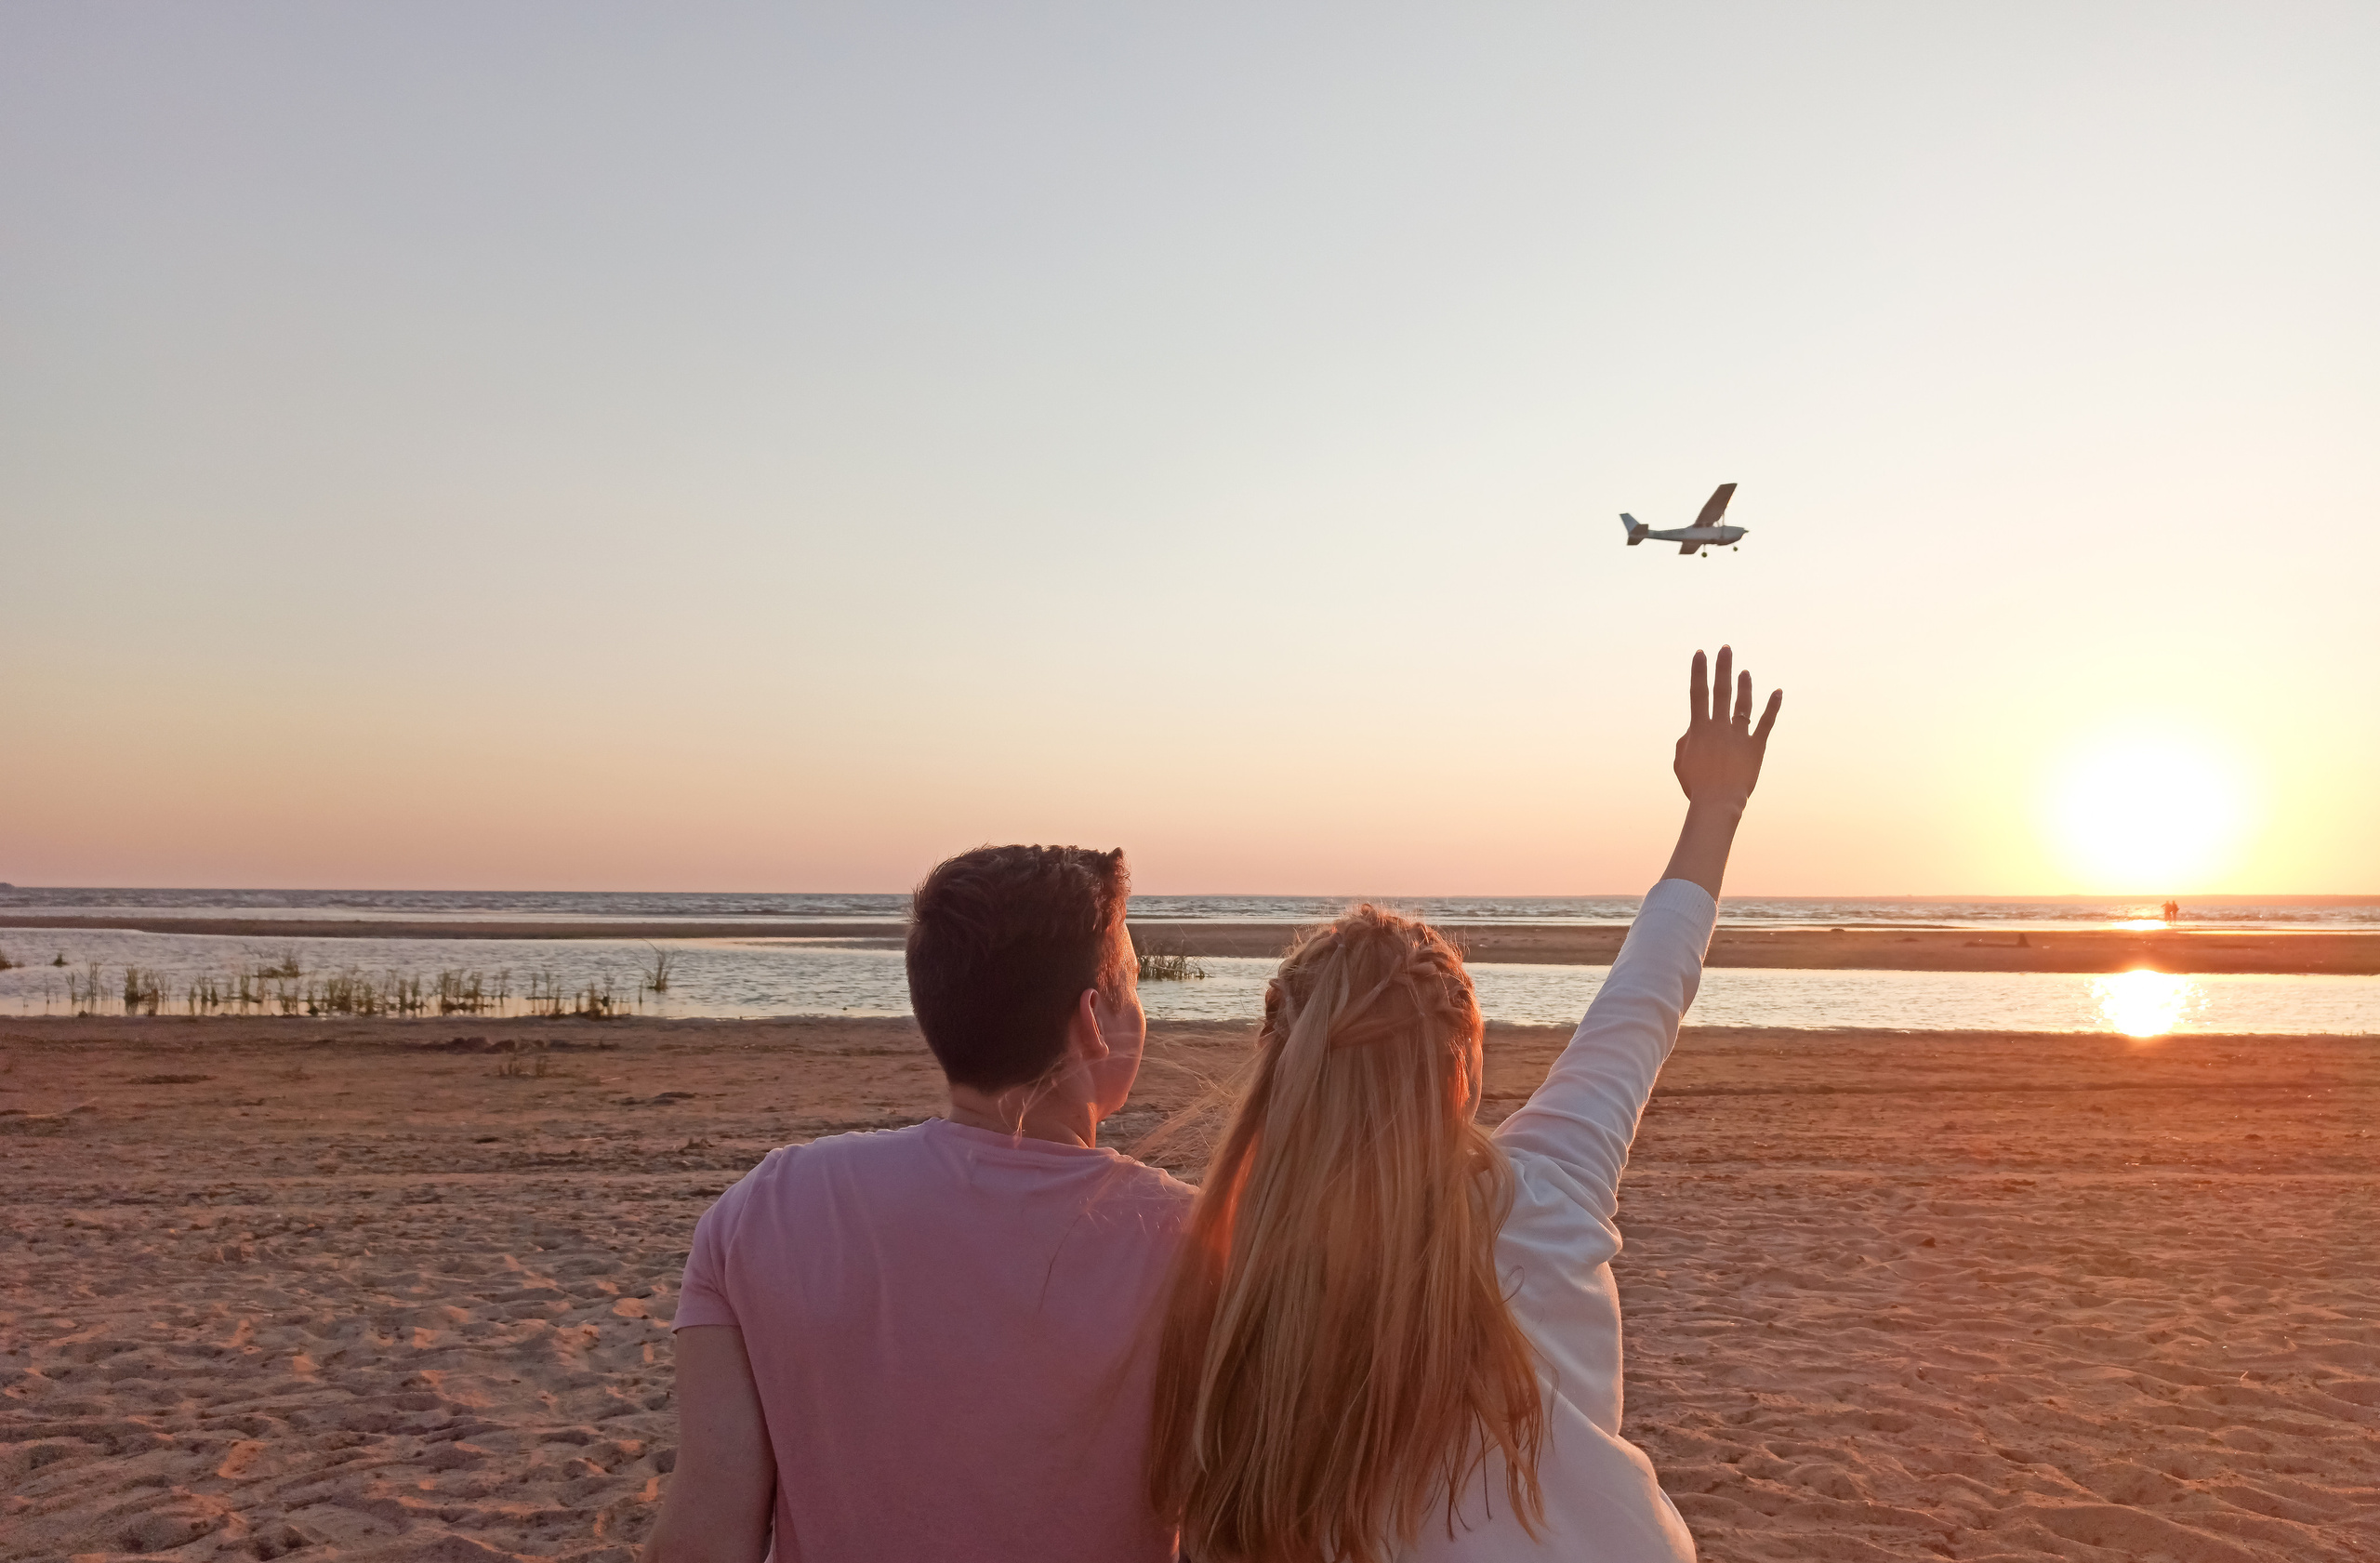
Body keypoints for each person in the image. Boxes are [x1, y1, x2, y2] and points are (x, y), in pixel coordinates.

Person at [1146, 646, 1782, 1563]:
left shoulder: (1236, 1273)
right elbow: (1648, 987)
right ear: (1462, 1074)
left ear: (1283, 1068)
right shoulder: (1550, 1187)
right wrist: (1714, 806)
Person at [646, 844, 1195, 1563]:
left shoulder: (763, 1209)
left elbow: (704, 1538)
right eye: (1134, 983)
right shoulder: (1195, 1237)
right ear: (1094, 1019)